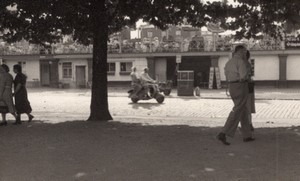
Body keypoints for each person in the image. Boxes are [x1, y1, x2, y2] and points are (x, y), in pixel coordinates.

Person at [217, 45, 254, 145]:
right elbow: (243, 77)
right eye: (244, 52)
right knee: (238, 109)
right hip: (241, 85)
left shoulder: (229, 62)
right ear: (240, 51)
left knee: (243, 110)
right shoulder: (241, 62)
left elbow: (226, 74)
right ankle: (223, 132)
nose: (245, 54)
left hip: (231, 86)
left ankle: (247, 135)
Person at [245, 50, 256, 131]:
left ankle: (248, 124)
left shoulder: (245, 64)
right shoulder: (247, 64)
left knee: (246, 107)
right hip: (248, 87)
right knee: (248, 107)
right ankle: (249, 123)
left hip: (245, 87)